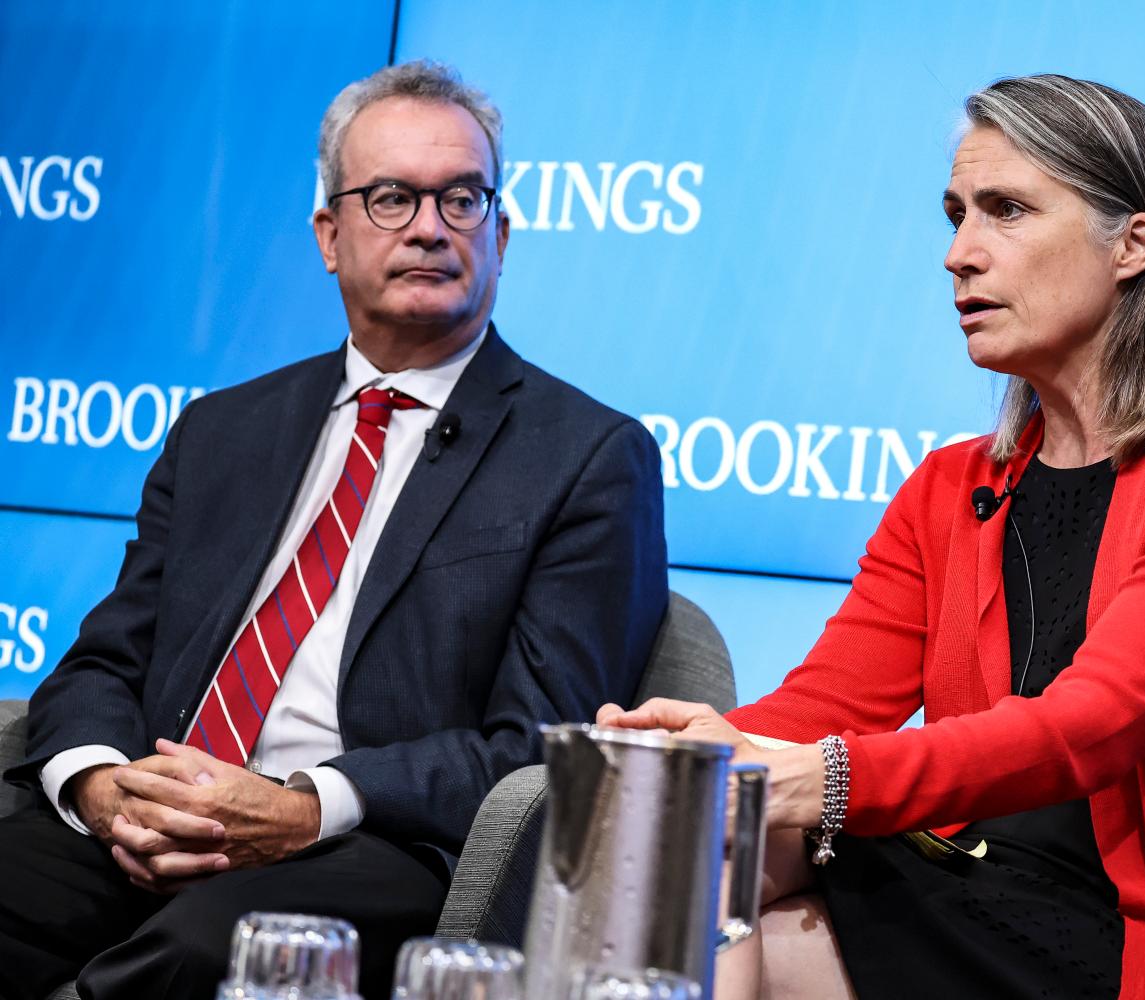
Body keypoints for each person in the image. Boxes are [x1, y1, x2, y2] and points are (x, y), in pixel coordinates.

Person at [600, 74, 1145, 1000]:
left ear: (1134, 245)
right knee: (685, 829)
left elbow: (1095, 724)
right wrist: (703, 752)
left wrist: (824, 780)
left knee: (735, 902)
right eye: (956, 214)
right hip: (961, 876)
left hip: (1121, 939)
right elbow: (828, 701)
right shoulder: (954, 485)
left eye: (1006, 211)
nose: (960, 254)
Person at [0, 60, 667, 1000]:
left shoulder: (589, 455)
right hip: (156, 816)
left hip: (370, 843)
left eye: (463, 199)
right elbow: (107, 660)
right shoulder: (224, 430)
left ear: (504, 235)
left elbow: (545, 747)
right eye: (392, 197)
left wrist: (305, 804)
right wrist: (105, 789)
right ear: (329, 234)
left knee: (209, 952)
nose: (431, 227)